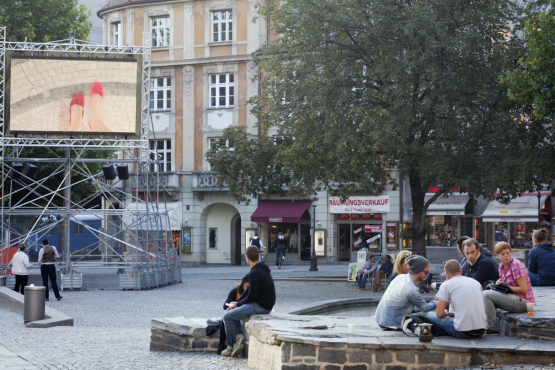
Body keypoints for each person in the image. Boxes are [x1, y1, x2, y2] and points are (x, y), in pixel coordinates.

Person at [222, 246, 275, 357]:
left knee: (228, 317)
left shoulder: (255, 273)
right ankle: (236, 340)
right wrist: (236, 303)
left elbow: (251, 297)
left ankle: (230, 347)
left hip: (261, 306)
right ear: (258, 256)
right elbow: (249, 291)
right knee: (232, 313)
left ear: (247, 258)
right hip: (266, 304)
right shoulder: (262, 269)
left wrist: (238, 304)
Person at [421, 260, 486, 339]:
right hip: (481, 330)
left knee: (429, 315)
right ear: (461, 271)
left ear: (446, 274)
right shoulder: (476, 282)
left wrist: (447, 313)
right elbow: (481, 304)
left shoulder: (446, 285)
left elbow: (439, 314)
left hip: (463, 332)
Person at [374, 255, 437, 333]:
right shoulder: (412, 289)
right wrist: (438, 303)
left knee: (419, 315)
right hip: (391, 324)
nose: (428, 274)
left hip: (380, 320)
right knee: (429, 319)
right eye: (426, 272)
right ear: (418, 270)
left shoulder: (400, 277)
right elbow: (425, 308)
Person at [483, 242, 535, 335]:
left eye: (508, 253)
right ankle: (483, 324)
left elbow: (523, 289)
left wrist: (506, 287)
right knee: (486, 294)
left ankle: (493, 328)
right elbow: (506, 285)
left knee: (486, 294)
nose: (506, 256)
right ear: (497, 256)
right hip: (512, 298)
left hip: (525, 303)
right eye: (503, 254)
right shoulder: (501, 266)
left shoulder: (516, 265)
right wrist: (499, 284)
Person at [217, 274, 250, 355]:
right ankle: (222, 344)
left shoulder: (251, 294)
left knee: (232, 314)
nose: (247, 289)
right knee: (227, 317)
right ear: (242, 285)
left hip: (244, 314)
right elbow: (225, 305)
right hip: (234, 314)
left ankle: (235, 341)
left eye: (249, 287)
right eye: (246, 287)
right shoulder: (235, 292)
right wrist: (232, 305)